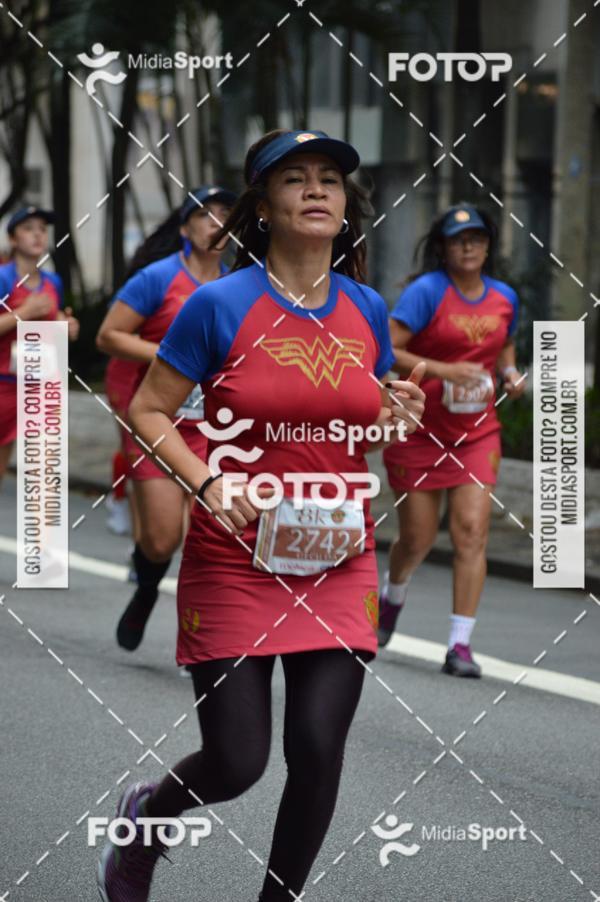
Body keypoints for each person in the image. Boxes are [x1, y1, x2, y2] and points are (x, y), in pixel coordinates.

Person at [96, 128, 425, 902]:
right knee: (239, 762)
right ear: (264, 208)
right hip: (237, 553)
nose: (317, 189)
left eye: (331, 181)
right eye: (295, 179)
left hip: (340, 553)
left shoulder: (367, 307)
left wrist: (392, 416)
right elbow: (150, 409)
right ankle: (146, 817)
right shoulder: (218, 304)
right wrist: (209, 481)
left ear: (346, 210)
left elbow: (363, 416)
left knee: (317, 747)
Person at [378, 203, 526, 677]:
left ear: (488, 247)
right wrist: (444, 370)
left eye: (477, 239)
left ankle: (459, 646)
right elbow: (385, 349)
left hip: (476, 433)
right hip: (420, 429)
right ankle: (392, 596)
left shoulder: (504, 296)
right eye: (459, 240)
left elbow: (503, 341)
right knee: (418, 539)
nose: (469, 247)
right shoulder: (426, 293)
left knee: (471, 533)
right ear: (443, 248)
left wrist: (508, 373)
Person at [96, 186, 237, 651]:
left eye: (225, 216)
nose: (216, 224)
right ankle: (147, 585)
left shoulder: (237, 287)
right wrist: (172, 356)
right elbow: (109, 336)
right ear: (185, 228)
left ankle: (200, 636)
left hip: (213, 430)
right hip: (156, 418)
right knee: (162, 539)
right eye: (206, 215)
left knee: (210, 535)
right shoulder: (158, 278)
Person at [0, 205, 79, 487]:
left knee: (45, 476)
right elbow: (28, 315)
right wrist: (23, 312)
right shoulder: (3, 278)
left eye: (42, 230)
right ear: (12, 239)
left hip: (42, 385)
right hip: (5, 385)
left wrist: (66, 325)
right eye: (28, 229)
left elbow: (51, 320)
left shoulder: (52, 281)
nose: (37, 235)